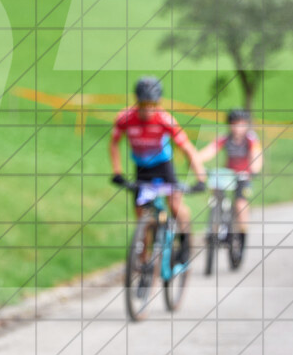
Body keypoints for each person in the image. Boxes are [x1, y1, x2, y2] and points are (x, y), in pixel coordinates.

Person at [110, 76, 207, 262]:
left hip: (163, 167)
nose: (148, 109)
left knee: (175, 205)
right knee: (142, 218)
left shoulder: (165, 120)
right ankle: (143, 263)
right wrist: (117, 172)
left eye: (152, 104)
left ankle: (185, 242)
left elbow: (187, 148)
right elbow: (114, 143)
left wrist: (200, 178)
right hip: (142, 169)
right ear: (137, 101)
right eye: (143, 104)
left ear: (158, 103)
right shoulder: (125, 118)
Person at [198, 108, 263, 247]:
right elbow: (210, 150)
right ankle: (214, 226)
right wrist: (197, 160)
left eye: (240, 124)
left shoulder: (250, 139)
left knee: (240, 204)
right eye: (234, 124)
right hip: (228, 175)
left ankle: (242, 235)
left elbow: (257, 154)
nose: (237, 128)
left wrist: (255, 169)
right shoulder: (225, 138)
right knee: (216, 195)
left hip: (244, 176)